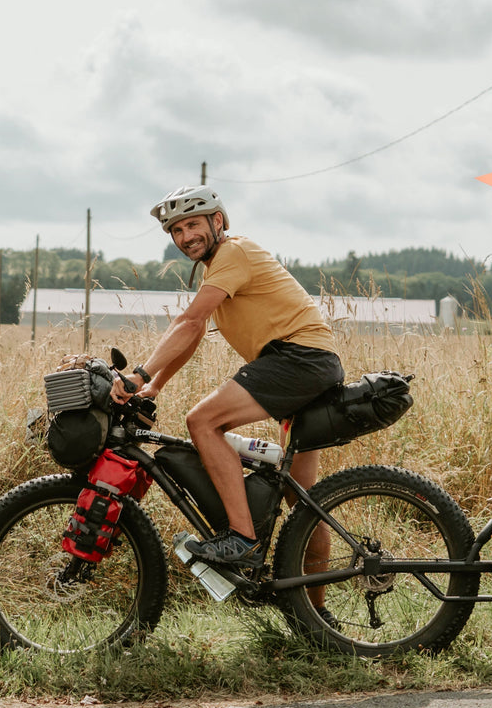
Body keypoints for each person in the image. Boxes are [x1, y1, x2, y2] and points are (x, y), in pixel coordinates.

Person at [110, 185, 343, 573]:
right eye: (177, 231)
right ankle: (315, 619)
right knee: (302, 502)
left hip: (298, 357)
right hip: (311, 363)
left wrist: (140, 374)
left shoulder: (233, 251)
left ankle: (243, 539)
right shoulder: (219, 265)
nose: (185, 237)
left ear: (218, 221)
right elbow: (196, 331)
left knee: (202, 420)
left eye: (193, 225)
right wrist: (156, 385)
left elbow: (190, 320)